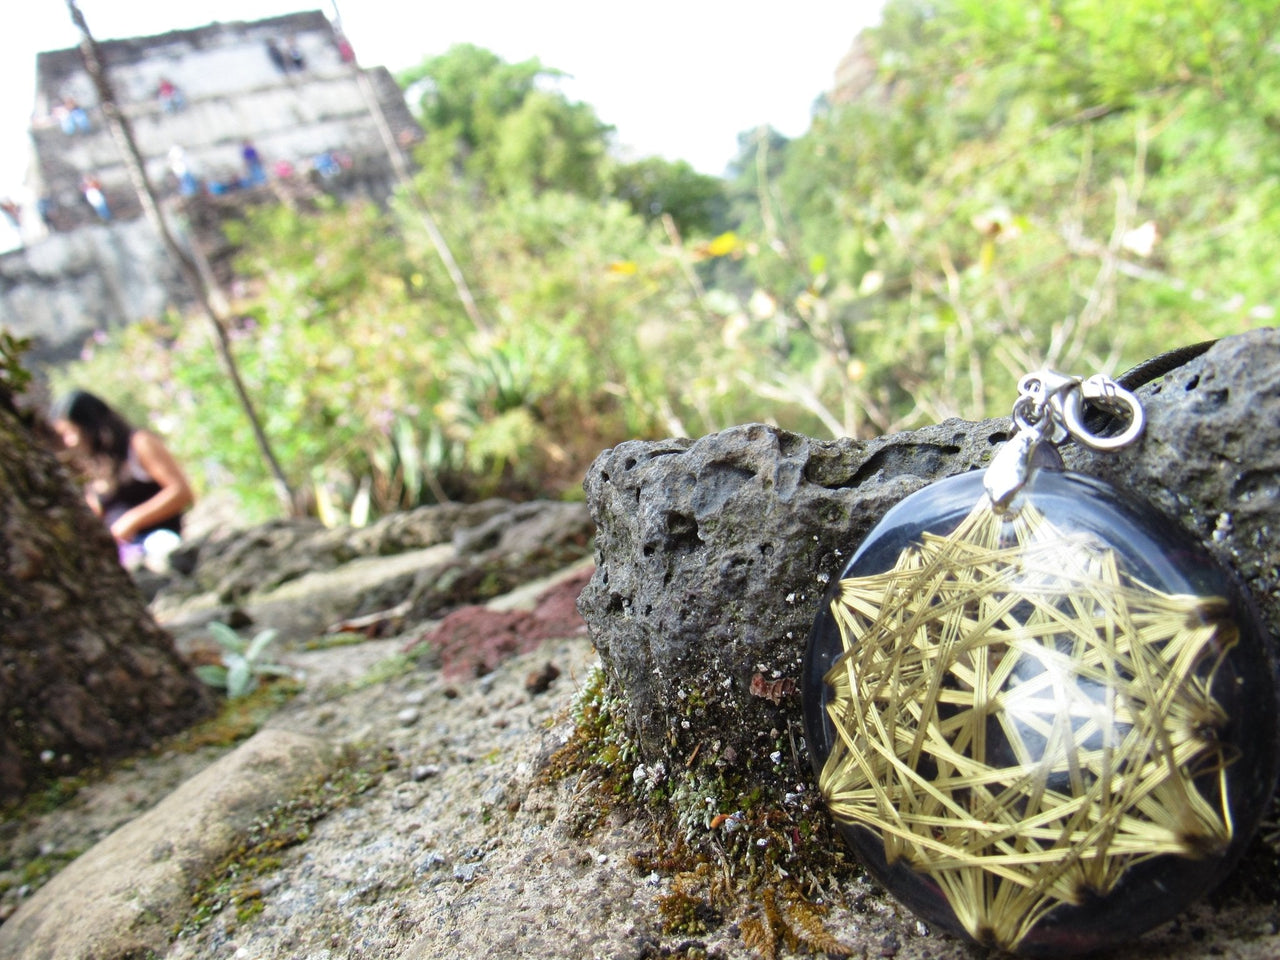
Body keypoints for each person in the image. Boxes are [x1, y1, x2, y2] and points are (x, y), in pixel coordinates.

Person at [52, 390, 195, 569]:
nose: (70, 441)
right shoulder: (94, 468)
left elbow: (181, 492)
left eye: (72, 432)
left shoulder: (139, 444)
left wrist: (132, 520)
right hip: (124, 552)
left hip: (158, 539)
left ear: (89, 425)